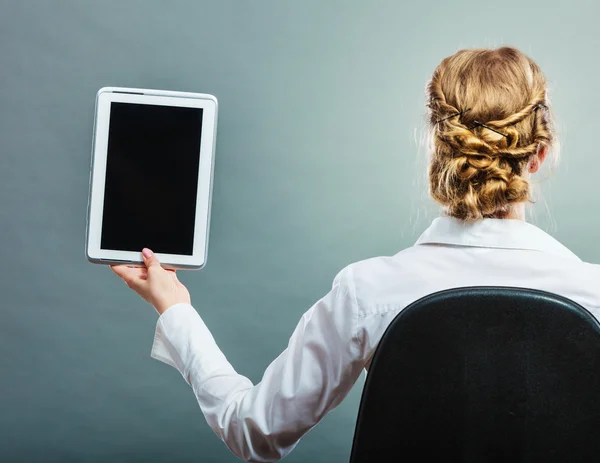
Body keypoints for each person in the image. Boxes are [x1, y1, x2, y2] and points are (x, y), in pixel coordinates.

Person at [110, 46, 600, 462]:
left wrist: (174, 309)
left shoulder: (370, 291)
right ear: (539, 153)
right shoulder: (593, 293)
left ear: (438, 148)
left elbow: (254, 432)